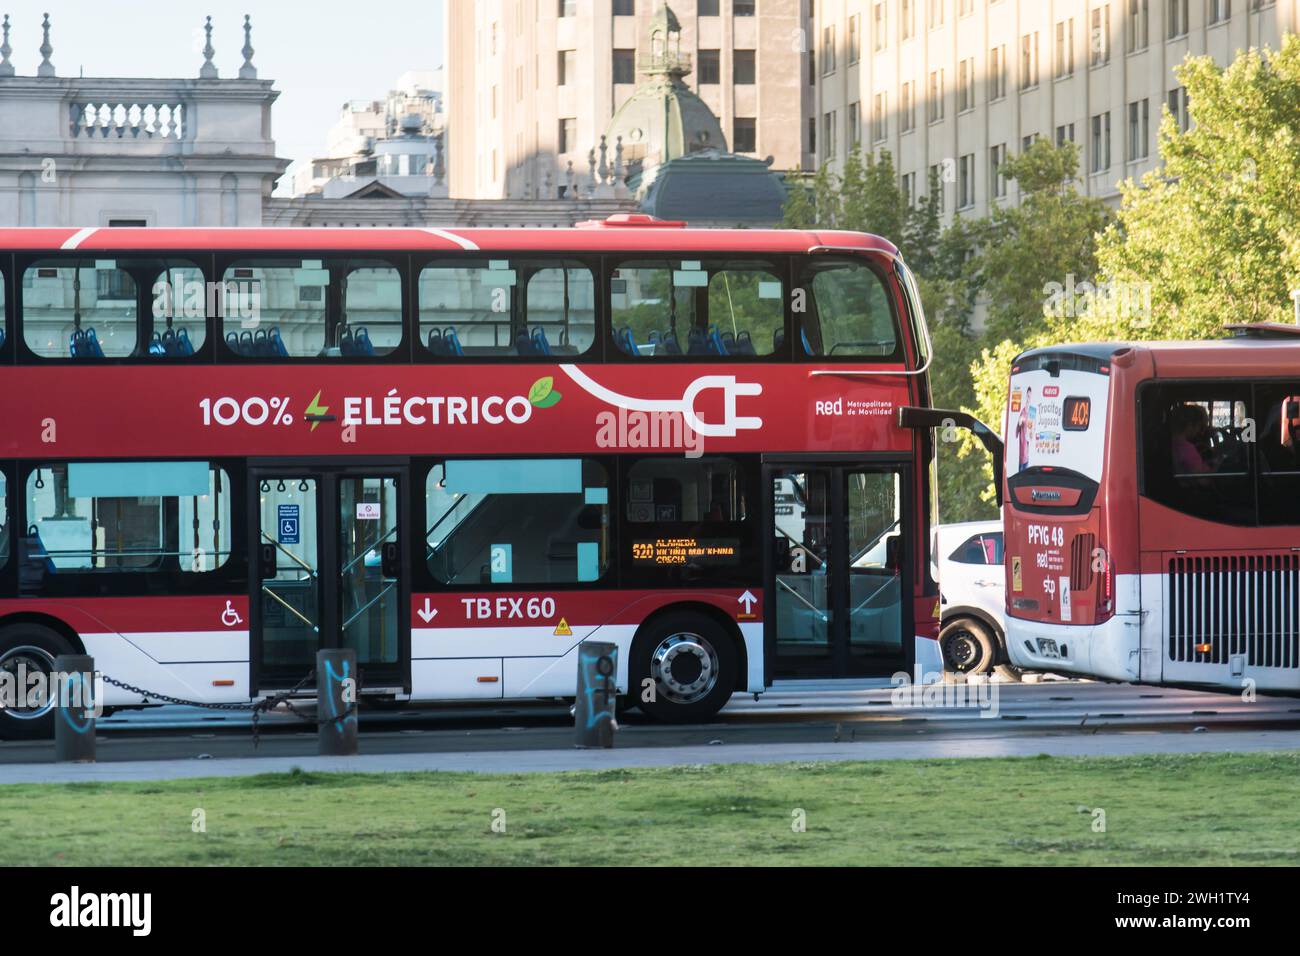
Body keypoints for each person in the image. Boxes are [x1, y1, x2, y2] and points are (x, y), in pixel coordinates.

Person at [1169, 403, 1214, 475]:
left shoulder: (1169, 443)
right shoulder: (1187, 449)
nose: (1199, 430)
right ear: (1190, 426)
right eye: (1199, 426)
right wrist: (1216, 466)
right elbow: (1202, 481)